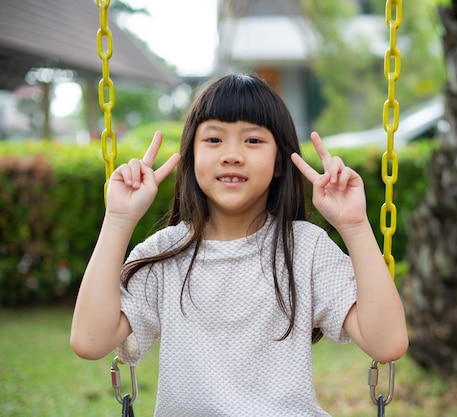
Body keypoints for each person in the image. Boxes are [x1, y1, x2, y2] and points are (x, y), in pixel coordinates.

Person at [70, 73, 408, 416]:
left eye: (253, 141)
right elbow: (89, 340)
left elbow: (388, 343)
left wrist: (355, 225)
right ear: (191, 155)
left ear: (279, 162)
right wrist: (118, 220)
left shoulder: (305, 249)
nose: (232, 155)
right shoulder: (165, 255)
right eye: (214, 139)